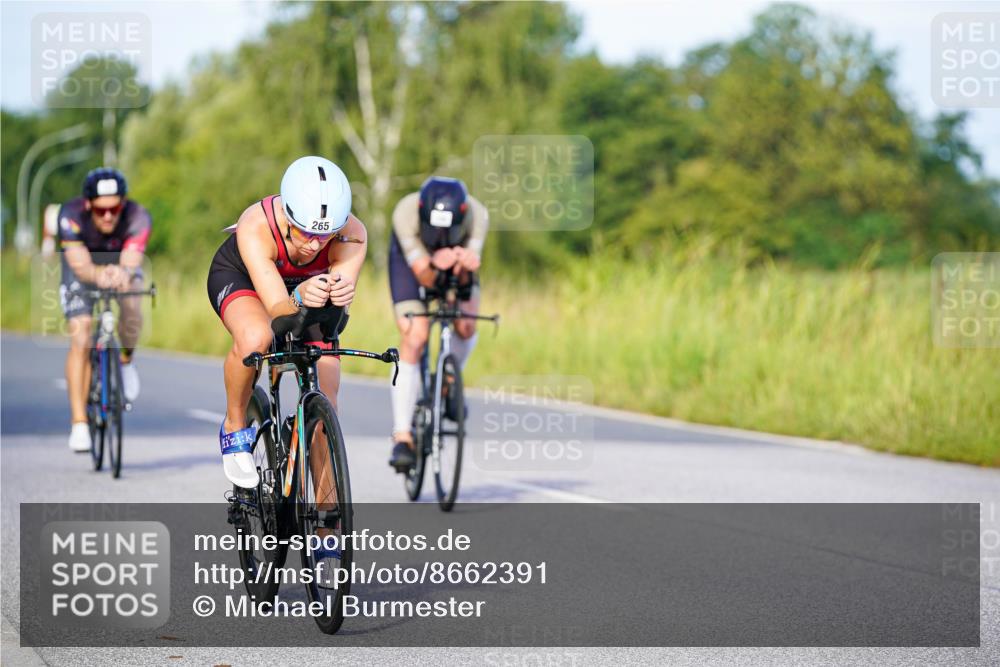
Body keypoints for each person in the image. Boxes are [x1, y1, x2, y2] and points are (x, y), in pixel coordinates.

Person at [207, 156, 367, 488]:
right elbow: (279, 308)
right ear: (288, 215)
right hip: (248, 281)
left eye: (326, 236)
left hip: (309, 290)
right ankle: (234, 425)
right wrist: (298, 298)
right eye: (306, 232)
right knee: (256, 338)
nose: (314, 244)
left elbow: (335, 316)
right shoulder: (257, 224)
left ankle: (326, 530)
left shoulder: (352, 234)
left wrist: (338, 294)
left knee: (327, 394)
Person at [387, 176, 488, 471]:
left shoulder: (477, 215)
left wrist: (462, 266)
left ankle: (448, 382)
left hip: (455, 260)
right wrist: (436, 263)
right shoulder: (405, 212)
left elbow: (467, 281)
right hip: (413, 265)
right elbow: (425, 277)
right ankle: (402, 435)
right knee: (416, 334)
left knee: (466, 325)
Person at [59, 167, 151, 453]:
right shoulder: (70, 215)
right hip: (82, 272)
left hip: (120, 265)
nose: (109, 216)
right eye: (101, 211)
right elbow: (81, 266)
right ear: (88, 205)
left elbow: (132, 258)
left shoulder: (138, 216)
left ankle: (125, 360)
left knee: (133, 300)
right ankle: (79, 423)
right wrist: (101, 275)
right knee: (82, 333)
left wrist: (123, 273)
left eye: (114, 209)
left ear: (123, 204)